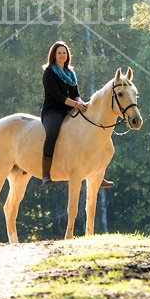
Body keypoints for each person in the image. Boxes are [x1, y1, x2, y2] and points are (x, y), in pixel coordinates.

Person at [41, 41, 114, 188]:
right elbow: (58, 96)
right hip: (53, 110)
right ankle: (46, 173)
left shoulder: (70, 73)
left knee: (91, 130)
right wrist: (76, 104)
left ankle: (98, 174)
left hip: (70, 109)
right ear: (53, 55)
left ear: (68, 55)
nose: (62, 55)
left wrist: (81, 103)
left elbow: (76, 94)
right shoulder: (49, 72)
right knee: (53, 133)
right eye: (59, 53)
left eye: (64, 53)